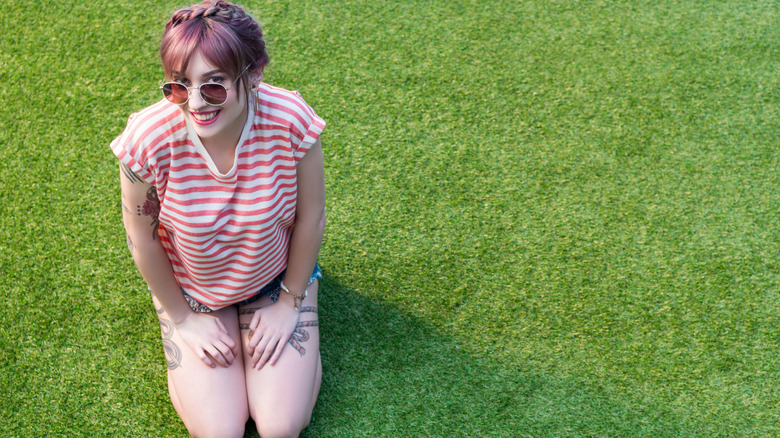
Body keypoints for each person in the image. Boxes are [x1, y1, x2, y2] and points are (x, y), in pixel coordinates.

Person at [110, 1, 326, 436]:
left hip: (273, 278)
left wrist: (289, 302)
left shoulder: (290, 120)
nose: (194, 104)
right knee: (219, 432)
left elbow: (311, 216)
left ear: (253, 74)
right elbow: (143, 239)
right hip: (192, 290)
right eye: (177, 86)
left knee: (280, 426)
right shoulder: (147, 142)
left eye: (214, 85)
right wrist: (183, 317)